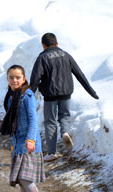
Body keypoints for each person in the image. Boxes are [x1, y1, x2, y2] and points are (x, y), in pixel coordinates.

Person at [30, 33, 99, 162]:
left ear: (43, 45)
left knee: (50, 122)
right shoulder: (66, 55)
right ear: (57, 44)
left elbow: (35, 78)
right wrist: (92, 92)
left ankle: (51, 152)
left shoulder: (42, 58)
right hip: (66, 93)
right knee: (65, 116)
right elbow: (80, 74)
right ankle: (65, 132)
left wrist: (29, 95)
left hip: (50, 95)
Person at [0, 65, 49, 192]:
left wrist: (31, 140)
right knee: (22, 182)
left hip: (29, 144)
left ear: (24, 79)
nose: (15, 80)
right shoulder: (11, 96)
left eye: (18, 77)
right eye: (11, 77)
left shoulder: (27, 96)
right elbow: (13, 122)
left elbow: (33, 120)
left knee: (25, 178)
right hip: (18, 143)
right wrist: (13, 143)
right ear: (7, 79)